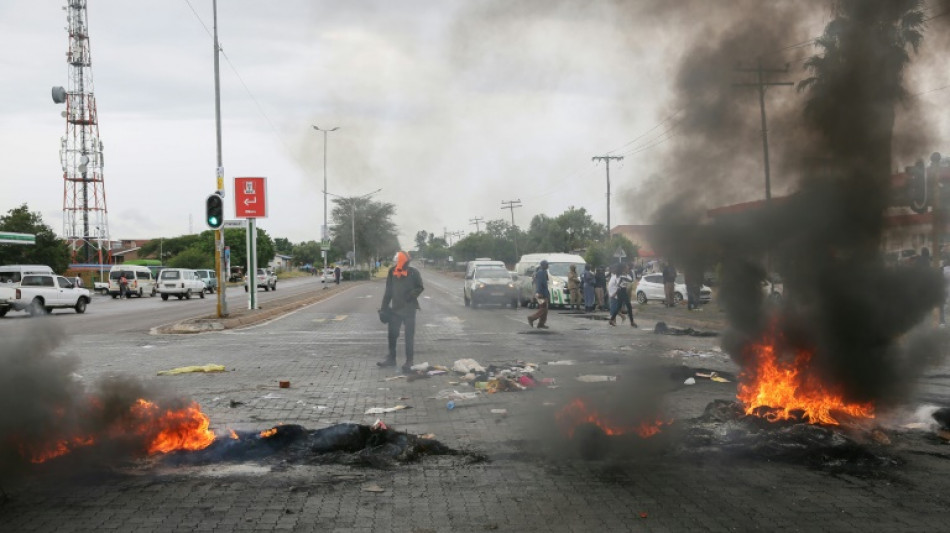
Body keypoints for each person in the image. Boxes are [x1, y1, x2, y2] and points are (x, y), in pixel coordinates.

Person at [377, 251, 425, 373]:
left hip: (409, 310)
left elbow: (420, 287)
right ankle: (391, 359)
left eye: (398, 261)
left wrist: (412, 295)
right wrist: (383, 308)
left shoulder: (414, 273)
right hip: (395, 310)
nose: (396, 263)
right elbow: (388, 292)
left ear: (404, 261)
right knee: (392, 335)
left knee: (409, 336)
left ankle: (409, 361)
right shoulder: (392, 272)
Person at [527, 260, 550, 329]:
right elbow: (539, 284)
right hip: (540, 293)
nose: (548, 266)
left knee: (545, 309)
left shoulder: (543, 272)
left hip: (543, 293)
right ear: (543, 265)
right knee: (543, 308)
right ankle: (532, 318)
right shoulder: (540, 273)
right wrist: (540, 293)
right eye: (547, 265)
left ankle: (541, 324)